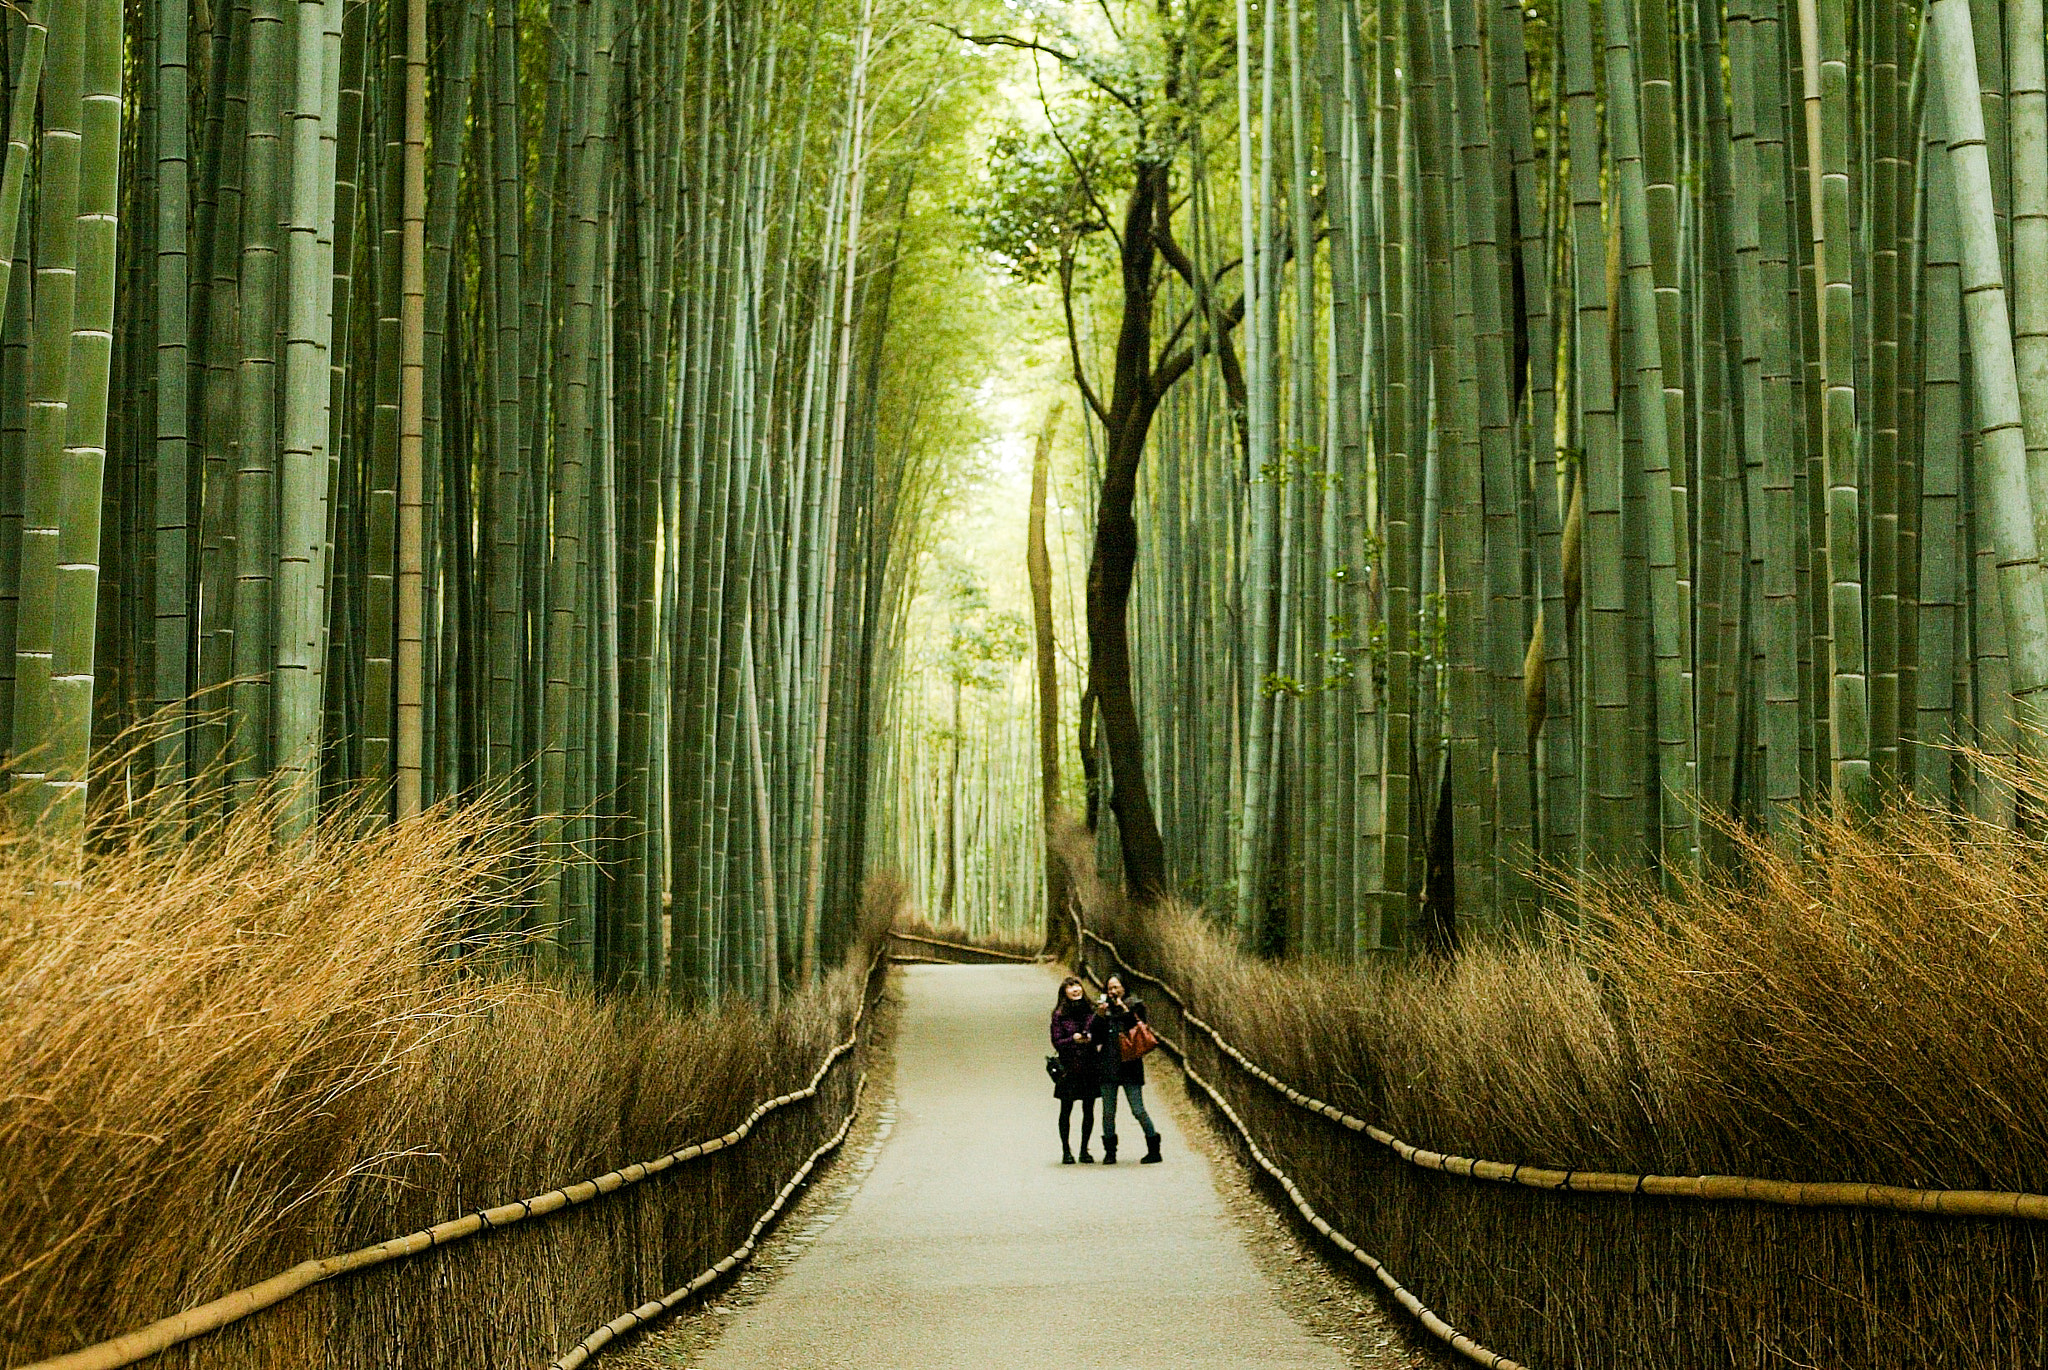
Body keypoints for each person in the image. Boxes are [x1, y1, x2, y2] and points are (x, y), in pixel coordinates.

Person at [1086, 974, 1162, 1164]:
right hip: (1108, 1065)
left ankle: (1154, 1149)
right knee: (1108, 1111)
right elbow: (1095, 1037)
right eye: (1110, 988)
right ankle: (1110, 1152)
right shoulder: (1102, 1009)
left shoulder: (1135, 1005)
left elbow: (1138, 1029)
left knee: (1138, 1109)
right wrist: (1099, 1016)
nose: (1113, 991)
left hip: (1130, 1064)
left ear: (1124, 988)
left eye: (1116, 987)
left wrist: (1124, 1009)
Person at [1049, 976, 1099, 1163]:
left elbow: (1100, 1033)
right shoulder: (1059, 1015)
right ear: (1064, 992)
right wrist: (1073, 1039)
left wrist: (1091, 1038)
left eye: (1077, 985)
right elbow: (1057, 1041)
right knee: (1066, 1108)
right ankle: (1066, 1150)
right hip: (1069, 1067)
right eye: (1070, 987)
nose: (1075, 989)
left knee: (1089, 1108)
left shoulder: (1092, 1010)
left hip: (1089, 1065)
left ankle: (1084, 1150)